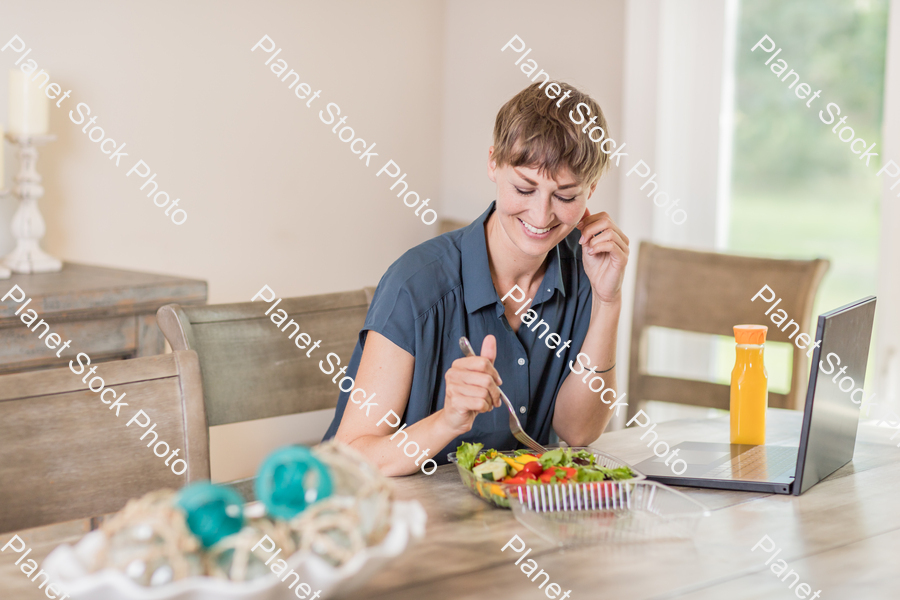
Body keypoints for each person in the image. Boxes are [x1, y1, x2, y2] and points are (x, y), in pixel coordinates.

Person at [323, 80, 630, 475]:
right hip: (394, 520)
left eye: (566, 196)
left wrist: (608, 302)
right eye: (524, 187)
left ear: (592, 189)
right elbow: (350, 458)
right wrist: (448, 420)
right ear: (493, 163)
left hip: (502, 524)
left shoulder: (587, 268)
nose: (541, 216)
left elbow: (578, 431)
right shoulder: (416, 285)